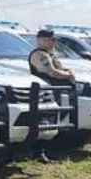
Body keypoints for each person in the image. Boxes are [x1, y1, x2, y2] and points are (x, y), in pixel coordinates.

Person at [27, 29, 79, 159]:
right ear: (42, 40)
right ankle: (37, 152)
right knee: (45, 123)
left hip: (56, 92)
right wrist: (69, 74)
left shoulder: (50, 54)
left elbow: (59, 68)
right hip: (46, 94)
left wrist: (67, 71)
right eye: (52, 39)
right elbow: (53, 72)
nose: (54, 42)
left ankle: (47, 149)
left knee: (53, 122)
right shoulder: (40, 55)